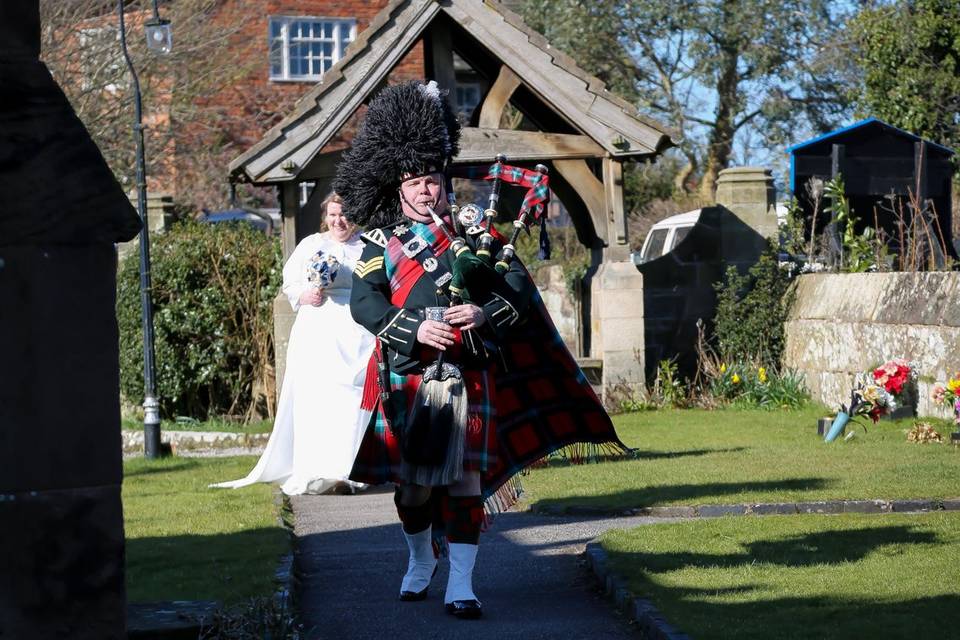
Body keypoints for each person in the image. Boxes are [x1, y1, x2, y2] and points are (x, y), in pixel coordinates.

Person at [333, 81, 626, 620]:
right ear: (398, 188)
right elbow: (364, 304)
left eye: (433, 181)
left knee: (466, 478)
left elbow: (517, 286)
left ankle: (461, 584)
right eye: (416, 183)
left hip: (469, 372)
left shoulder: (477, 230)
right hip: (410, 375)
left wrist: (484, 313)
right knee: (414, 488)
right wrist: (413, 330)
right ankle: (421, 560)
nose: (427, 191)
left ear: (445, 181)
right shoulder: (380, 242)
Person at [212, 194, 375, 495]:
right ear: (326, 215)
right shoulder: (311, 245)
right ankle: (318, 468)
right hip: (319, 329)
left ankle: (349, 468)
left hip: (357, 331)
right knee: (319, 396)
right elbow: (291, 283)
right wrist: (305, 295)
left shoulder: (368, 246)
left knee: (353, 399)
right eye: (333, 215)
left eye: (345, 215)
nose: (339, 221)